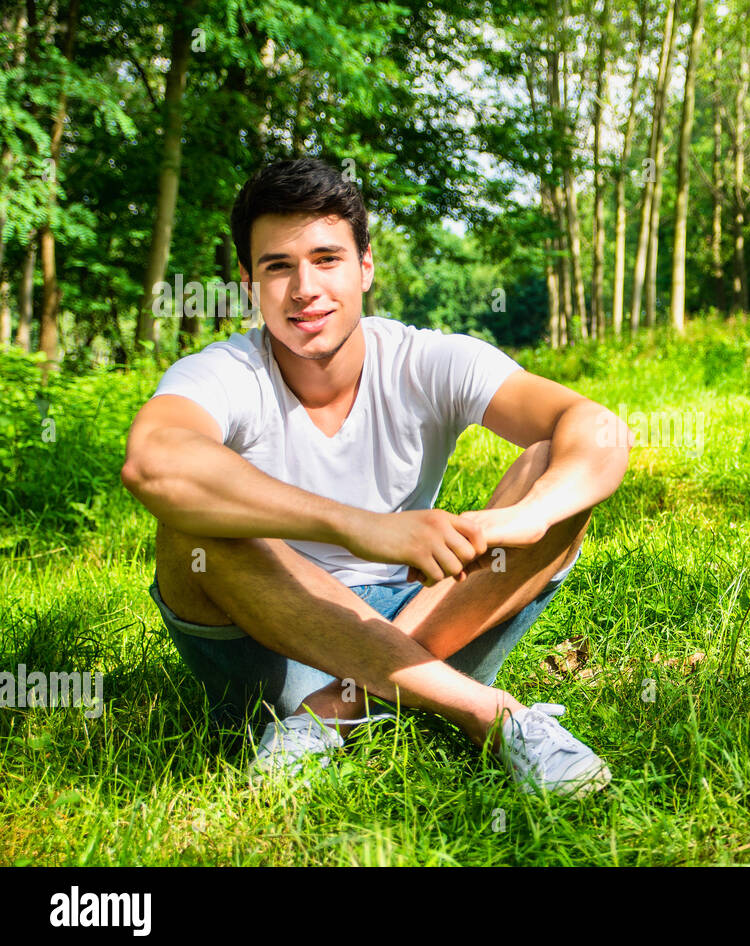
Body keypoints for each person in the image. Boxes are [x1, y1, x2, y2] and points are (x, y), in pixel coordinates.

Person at [119, 157, 630, 798]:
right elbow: (154, 462)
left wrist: (526, 517)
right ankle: (488, 712)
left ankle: (327, 716)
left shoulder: (427, 359)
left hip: (422, 613)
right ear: (249, 284)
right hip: (268, 633)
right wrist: (361, 528)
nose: (304, 288)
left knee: (548, 469)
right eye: (279, 267)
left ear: (365, 267)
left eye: (327, 259)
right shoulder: (223, 372)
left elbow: (598, 430)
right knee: (194, 523)